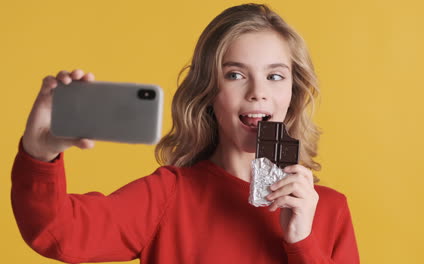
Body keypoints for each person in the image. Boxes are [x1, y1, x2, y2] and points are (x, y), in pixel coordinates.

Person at [11, 3, 359, 264]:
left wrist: (302, 241)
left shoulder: (328, 209)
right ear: (208, 91)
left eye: (275, 76)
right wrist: (39, 155)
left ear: (293, 94)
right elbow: (57, 232)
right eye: (235, 74)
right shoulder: (167, 196)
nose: (258, 92)